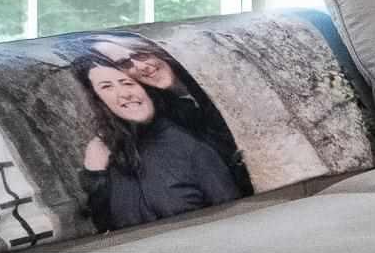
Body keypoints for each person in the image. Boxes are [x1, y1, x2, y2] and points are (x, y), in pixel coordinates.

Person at [72, 55, 241, 232]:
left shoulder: (191, 146)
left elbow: (235, 225)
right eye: (107, 87)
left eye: (127, 83)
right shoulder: (108, 154)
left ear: (146, 89)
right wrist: (96, 177)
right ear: (100, 100)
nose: (124, 93)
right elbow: (105, 231)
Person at [85, 34, 252, 195]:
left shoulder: (215, 74)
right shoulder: (156, 111)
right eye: (124, 63)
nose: (141, 66)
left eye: (140, 53)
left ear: (157, 48)